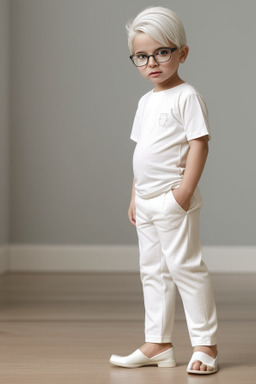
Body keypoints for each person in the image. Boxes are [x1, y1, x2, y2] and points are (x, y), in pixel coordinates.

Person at [109, 6, 218, 375]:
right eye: (142, 56)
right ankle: (158, 342)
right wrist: (134, 196)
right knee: (152, 271)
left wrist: (184, 193)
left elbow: (199, 144)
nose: (152, 62)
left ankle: (206, 344)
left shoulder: (186, 96)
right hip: (147, 202)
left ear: (182, 53)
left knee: (186, 269)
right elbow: (141, 153)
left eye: (162, 52)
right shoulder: (146, 101)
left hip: (174, 200)